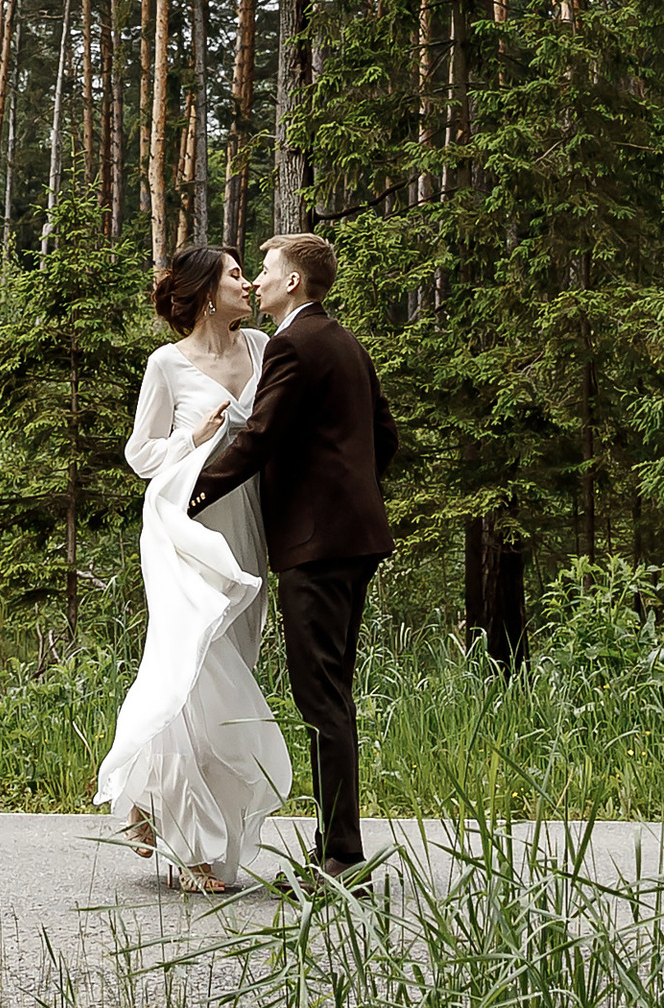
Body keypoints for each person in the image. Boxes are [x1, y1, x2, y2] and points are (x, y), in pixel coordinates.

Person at [187, 231, 397, 883]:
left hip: (317, 545)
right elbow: (385, 436)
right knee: (332, 693)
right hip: (355, 539)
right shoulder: (346, 342)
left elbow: (259, 438)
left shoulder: (292, 345)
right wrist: (351, 490)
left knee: (320, 696)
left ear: (293, 282)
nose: (257, 281)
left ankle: (342, 858)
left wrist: (191, 492)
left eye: (267, 269)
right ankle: (335, 847)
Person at [93, 244, 291, 894]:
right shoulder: (167, 364)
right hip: (188, 528)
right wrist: (193, 438)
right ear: (207, 293)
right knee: (191, 671)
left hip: (247, 528)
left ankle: (150, 795)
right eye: (236, 275)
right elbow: (141, 455)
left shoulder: (262, 348)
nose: (248, 284)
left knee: (231, 672)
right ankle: (194, 849)